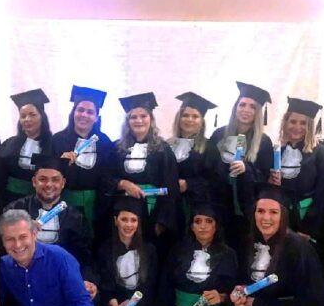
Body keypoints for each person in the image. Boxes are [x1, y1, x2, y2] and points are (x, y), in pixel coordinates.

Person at [4, 154, 97, 298]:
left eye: (55, 180)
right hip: (21, 283)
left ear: (63, 183)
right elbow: (3, 249)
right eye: (43, 179)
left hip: (61, 284)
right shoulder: (15, 211)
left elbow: (85, 256)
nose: (48, 185)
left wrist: (88, 281)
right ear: (34, 182)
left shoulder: (76, 218)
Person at [204, 81, 274, 260]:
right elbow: (207, 168)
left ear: (258, 113)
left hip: (247, 210)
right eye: (242, 105)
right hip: (220, 205)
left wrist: (246, 169)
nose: (246, 110)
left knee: (244, 254)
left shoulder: (264, 142)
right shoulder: (219, 135)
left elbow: (265, 178)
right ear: (235, 107)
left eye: (252, 107)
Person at [95, 197, 159, 306]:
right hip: (115, 302)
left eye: (133, 220)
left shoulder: (150, 250)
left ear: (139, 223)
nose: (129, 225)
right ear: (116, 221)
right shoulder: (105, 249)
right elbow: (105, 284)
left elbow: (150, 285)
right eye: (124, 219)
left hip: (141, 303)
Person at [111, 92, 179, 243]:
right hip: (124, 213)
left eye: (143, 116)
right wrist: (123, 184)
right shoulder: (116, 148)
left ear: (151, 119)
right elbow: (106, 178)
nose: (139, 120)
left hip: (153, 212)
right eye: (133, 117)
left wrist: (162, 220)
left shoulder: (163, 149)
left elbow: (170, 185)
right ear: (127, 121)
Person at [268, 97, 324, 248]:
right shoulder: (278, 150)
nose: (297, 127)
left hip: (305, 219)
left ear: (310, 126)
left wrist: (308, 227)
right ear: (285, 122)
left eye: (303, 123)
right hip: (280, 216)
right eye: (293, 121)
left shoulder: (320, 153)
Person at [52, 85, 117, 236]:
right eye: (80, 110)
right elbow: (50, 174)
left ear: (96, 118)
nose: (84, 115)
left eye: (90, 112)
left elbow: (109, 177)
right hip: (64, 205)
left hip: (96, 208)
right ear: (73, 113)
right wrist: (60, 163)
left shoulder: (105, 142)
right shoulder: (58, 140)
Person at [0, 89, 53, 208]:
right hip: (10, 204)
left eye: (32, 115)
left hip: (40, 205)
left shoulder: (54, 146)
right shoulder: (9, 145)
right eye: (23, 116)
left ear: (42, 117)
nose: (27, 119)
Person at [168, 91, 217, 231]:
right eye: (185, 115)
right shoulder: (167, 145)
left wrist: (188, 185)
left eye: (195, 116)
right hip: (170, 206)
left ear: (201, 121)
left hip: (197, 208)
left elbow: (215, 179)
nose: (189, 119)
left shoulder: (210, 148)